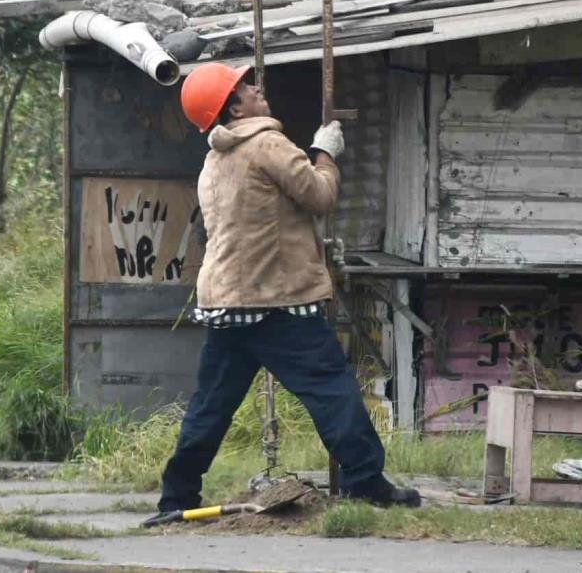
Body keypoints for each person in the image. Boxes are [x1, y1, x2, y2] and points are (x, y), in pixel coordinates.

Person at [150, 62, 419, 522]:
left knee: (210, 406)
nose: (257, 89)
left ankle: (176, 498)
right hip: (276, 301)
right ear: (234, 107)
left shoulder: (214, 159)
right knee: (332, 389)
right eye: (246, 87)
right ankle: (365, 482)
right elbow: (320, 196)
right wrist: (324, 152)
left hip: (225, 303)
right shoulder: (266, 144)